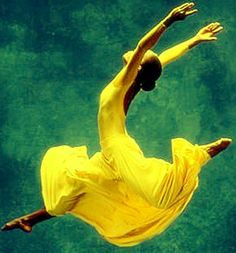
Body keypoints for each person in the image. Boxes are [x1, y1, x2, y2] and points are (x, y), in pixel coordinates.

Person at [1, 2, 232, 247]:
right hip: (108, 154)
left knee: (157, 193)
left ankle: (198, 155)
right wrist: (193, 40)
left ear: (137, 67)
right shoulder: (131, 84)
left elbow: (146, 46)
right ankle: (28, 220)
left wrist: (168, 21)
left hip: (118, 149)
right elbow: (162, 58)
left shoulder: (123, 83)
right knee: (72, 191)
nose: (134, 52)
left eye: (138, 58)